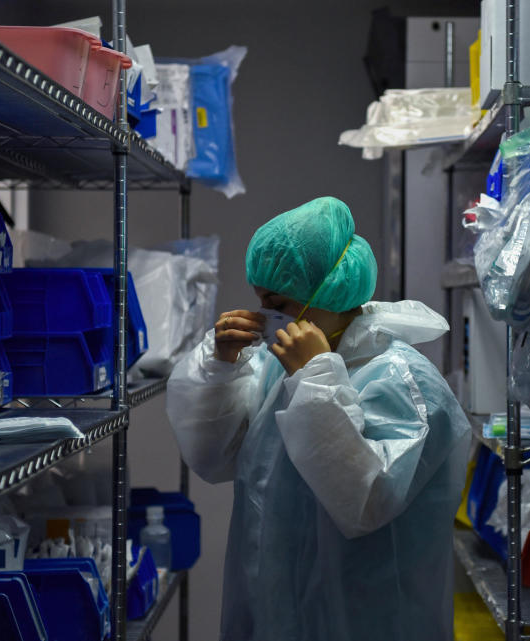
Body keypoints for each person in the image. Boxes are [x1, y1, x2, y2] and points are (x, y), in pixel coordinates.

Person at [166, 196, 471, 641]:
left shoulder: (403, 380)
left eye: (280, 304)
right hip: (276, 609)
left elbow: (366, 500)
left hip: (371, 618)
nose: (266, 317)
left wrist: (316, 379)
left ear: (328, 293)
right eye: (260, 301)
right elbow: (213, 457)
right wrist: (221, 366)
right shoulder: (278, 367)